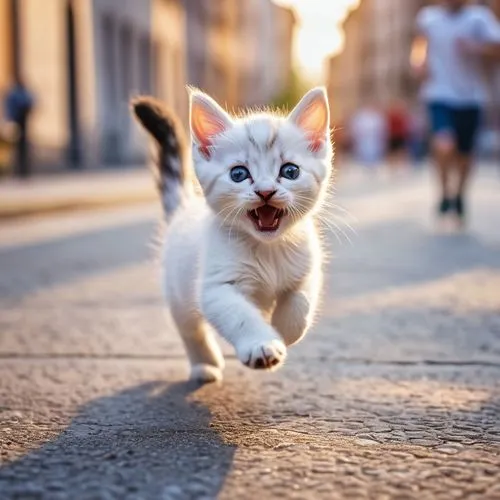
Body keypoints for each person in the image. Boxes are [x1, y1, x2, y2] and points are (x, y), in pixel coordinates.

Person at [412, 0, 500, 225]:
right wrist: (418, 63)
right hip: (438, 93)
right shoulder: (428, 17)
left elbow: (496, 47)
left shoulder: (479, 18)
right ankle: (443, 192)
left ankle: (459, 194)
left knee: (465, 154)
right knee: (444, 143)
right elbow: (419, 45)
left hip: (471, 96)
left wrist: (476, 48)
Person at [3, 78, 35, 178]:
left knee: (22, 147)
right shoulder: (16, 94)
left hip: (21, 122)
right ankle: (18, 170)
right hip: (17, 122)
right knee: (16, 147)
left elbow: (31, 103)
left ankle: (23, 171)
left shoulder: (21, 93)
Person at [349, 102, 387, 170]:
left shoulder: (376, 116)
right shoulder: (360, 116)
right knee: (362, 155)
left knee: (374, 156)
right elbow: (356, 128)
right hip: (363, 139)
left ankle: (373, 168)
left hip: (374, 139)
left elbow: (381, 129)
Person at [386, 99, 410, 170]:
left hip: (400, 136)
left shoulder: (401, 116)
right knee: (392, 152)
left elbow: (405, 126)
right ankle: (392, 167)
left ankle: (401, 166)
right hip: (393, 135)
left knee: (401, 151)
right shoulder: (391, 115)